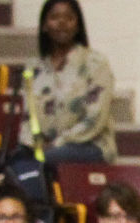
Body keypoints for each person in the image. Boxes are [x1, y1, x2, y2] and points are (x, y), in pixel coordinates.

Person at [22, 0, 117, 166]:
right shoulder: (34, 68)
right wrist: (35, 145)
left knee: (40, 162)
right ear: (44, 26)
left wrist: (57, 144)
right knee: (13, 165)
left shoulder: (95, 63)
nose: (62, 22)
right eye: (54, 17)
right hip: (45, 148)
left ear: (78, 26)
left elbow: (95, 119)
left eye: (69, 18)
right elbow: (27, 118)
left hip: (88, 145)